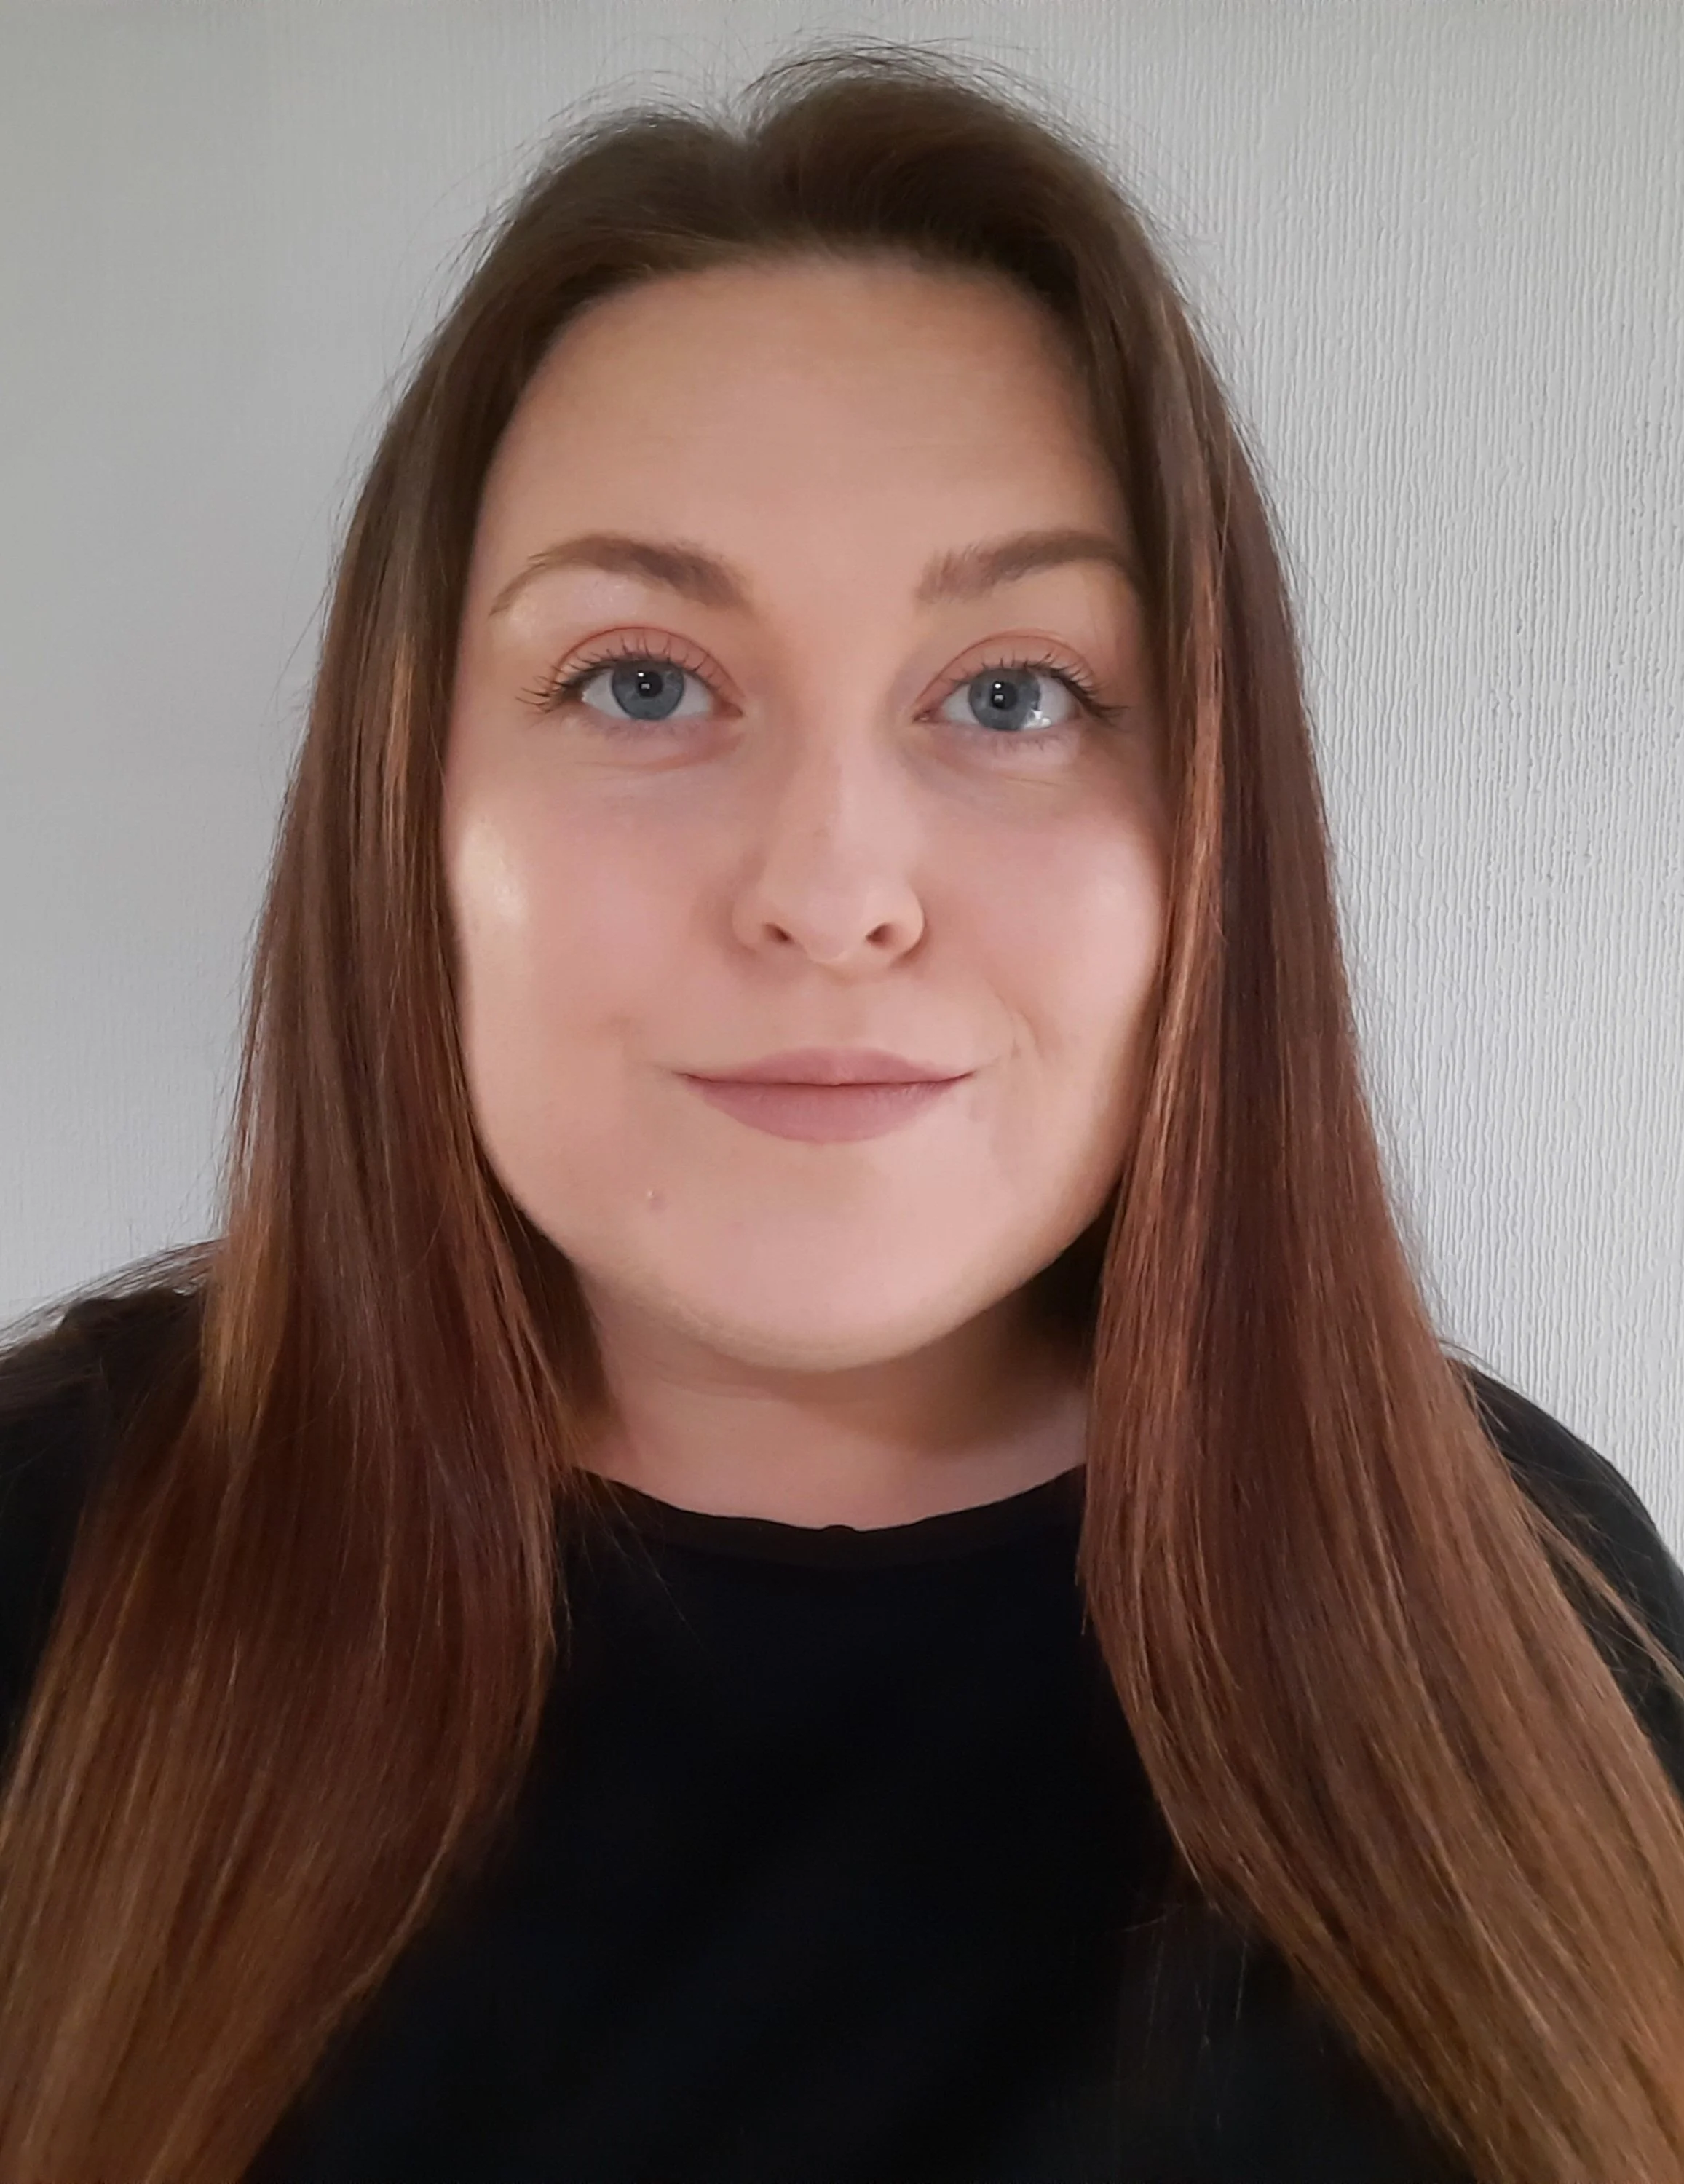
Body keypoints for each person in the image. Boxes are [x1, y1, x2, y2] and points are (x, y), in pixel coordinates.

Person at [1, 38, 1682, 2184]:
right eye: (640, 682)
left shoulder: (1530, 1598)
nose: (826, 894)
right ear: (408, 816)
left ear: (1208, 840)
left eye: (1012, 694)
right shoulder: (48, 1558)